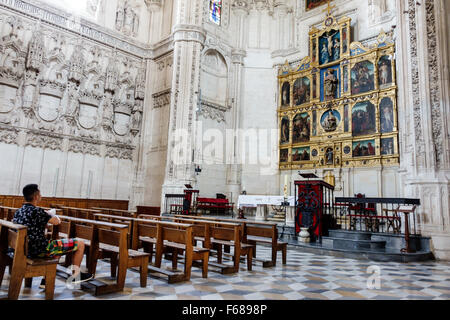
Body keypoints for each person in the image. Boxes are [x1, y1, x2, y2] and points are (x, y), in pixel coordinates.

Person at [13, 184, 92, 288]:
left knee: (57, 247)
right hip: (40, 249)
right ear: (36, 196)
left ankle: (45, 281)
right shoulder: (37, 211)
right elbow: (56, 222)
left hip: (25, 249)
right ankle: (75, 276)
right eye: (40, 194)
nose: (41, 196)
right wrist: (51, 214)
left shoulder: (18, 211)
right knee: (80, 243)